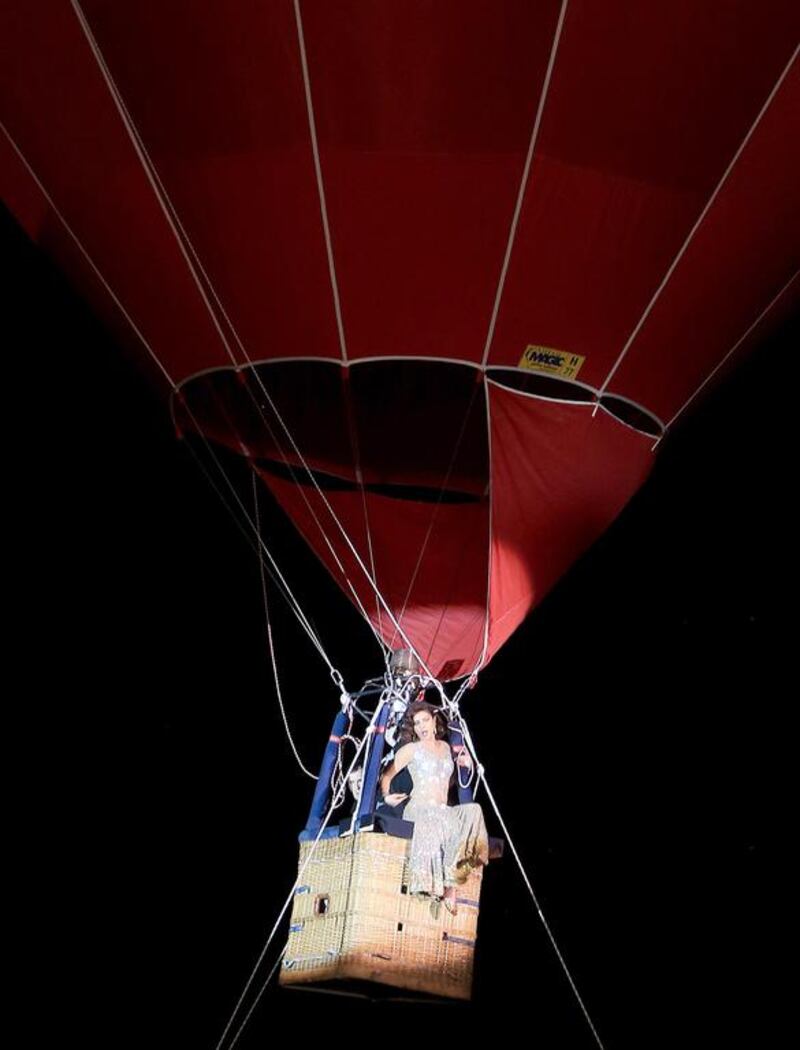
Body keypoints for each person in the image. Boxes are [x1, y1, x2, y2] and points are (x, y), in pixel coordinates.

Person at [379, 700, 489, 914]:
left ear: (434, 720)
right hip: (420, 809)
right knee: (438, 821)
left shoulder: (447, 748)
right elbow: (387, 776)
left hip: (442, 809)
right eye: (417, 723)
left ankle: (452, 879)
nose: (421, 727)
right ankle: (444, 889)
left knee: (473, 811)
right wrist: (387, 796)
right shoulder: (411, 749)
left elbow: (448, 778)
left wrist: (466, 764)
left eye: (425, 720)